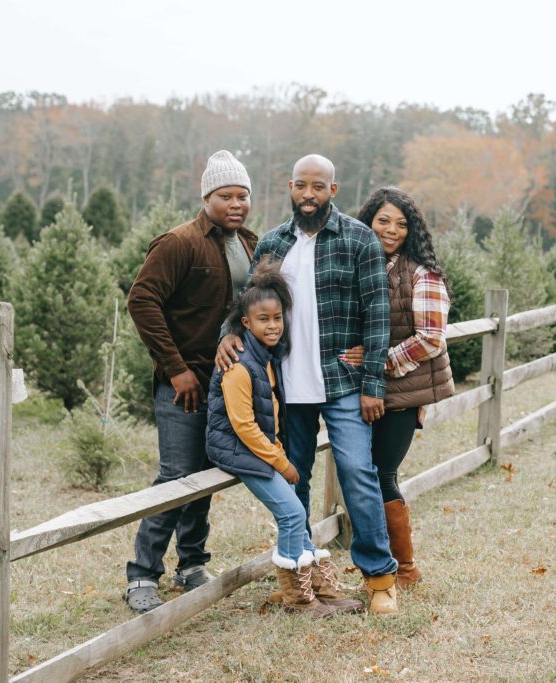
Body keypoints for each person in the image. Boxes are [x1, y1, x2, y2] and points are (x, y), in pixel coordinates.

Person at [216, 154, 400, 615]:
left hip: (342, 382)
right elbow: (250, 307)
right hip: (285, 387)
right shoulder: (274, 243)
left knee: (358, 474)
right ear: (290, 187)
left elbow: (377, 316)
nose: (309, 195)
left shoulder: (359, 240)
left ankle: (380, 578)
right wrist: (228, 336)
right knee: (292, 477)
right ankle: (297, 582)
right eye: (301, 186)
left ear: (333, 191)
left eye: (319, 187)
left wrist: (372, 382)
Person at [124, 150, 257, 613]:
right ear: (206, 197)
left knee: (205, 477)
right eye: (226, 196)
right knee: (176, 476)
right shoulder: (179, 243)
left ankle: (192, 565)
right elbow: (142, 302)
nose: (236, 204)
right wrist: (176, 368)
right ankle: (142, 574)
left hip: (226, 385)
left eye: (243, 195)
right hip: (184, 384)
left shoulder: (250, 244)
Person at [205, 260, 361, 618]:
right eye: (263, 319)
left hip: (262, 449)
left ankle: (319, 587)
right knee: (292, 514)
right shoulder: (239, 364)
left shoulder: (269, 356)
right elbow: (243, 426)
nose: (273, 325)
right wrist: (283, 462)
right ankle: (298, 599)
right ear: (246, 323)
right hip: (240, 450)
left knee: (296, 512)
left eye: (277, 318)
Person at [343, 186, 454, 588]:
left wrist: (378, 362)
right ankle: (379, 561)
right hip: (365, 390)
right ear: (367, 221)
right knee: (362, 472)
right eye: (383, 220)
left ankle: (403, 568)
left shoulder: (420, 274)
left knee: (381, 473)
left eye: (401, 224)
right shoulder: (360, 265)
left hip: (400, 392)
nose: (391, 230)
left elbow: (430, 338)